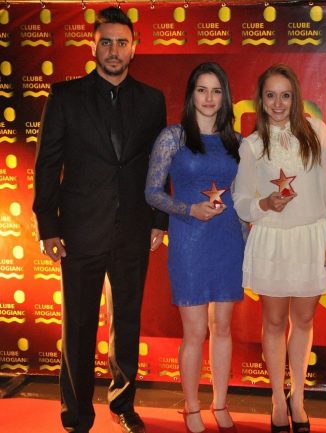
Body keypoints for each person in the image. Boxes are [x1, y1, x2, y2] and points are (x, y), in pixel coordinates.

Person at [32, 6, 167, 433]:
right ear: (93, 45)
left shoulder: (151, 100)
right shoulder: (65, 96)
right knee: (78, 325)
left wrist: (159, 220)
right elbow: (46, 166)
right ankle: (76, 415)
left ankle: (123, 404)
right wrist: (47, 226)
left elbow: (158, 168)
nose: (113, 50)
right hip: (78, 230)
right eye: (105, 41)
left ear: (135, 48)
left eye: (121, 42)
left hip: (132, 229)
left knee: (126, 320)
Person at [232, 64, 326, 433]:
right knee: (274, 321)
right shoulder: (251, 145)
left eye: (285, 95)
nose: (278, 103)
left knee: (304, 320)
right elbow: (240, 201)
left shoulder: (316, 131)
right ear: (260, 100)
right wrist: (264, 204)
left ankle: (298, 396)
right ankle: (277, 399)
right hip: (272, 240)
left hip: (311, 238)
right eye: (270, 95)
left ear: (295, 97)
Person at [145, 62, 243, 433]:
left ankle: (220, 403)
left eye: (216, 91)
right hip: (188, 240)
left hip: (227, 240)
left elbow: (243, 195)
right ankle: (190, 407)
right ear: (191, 94)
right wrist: (188, 209)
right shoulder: (173, 137)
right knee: (195, 331)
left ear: (225, 97)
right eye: (202, 90)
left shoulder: (236, 140)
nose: (209, 98)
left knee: (223, 329)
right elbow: (152, 192)